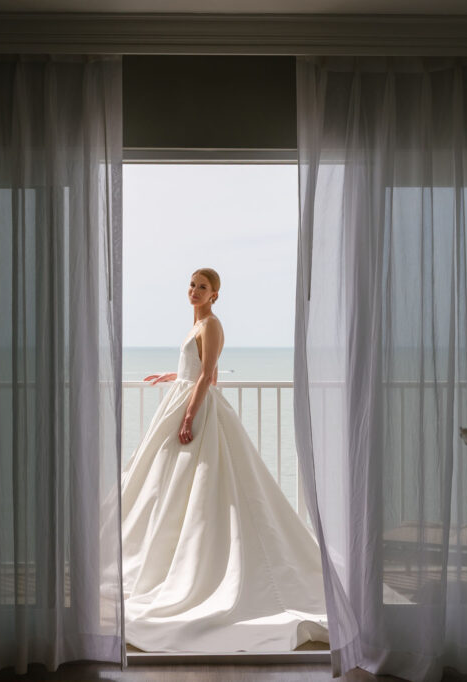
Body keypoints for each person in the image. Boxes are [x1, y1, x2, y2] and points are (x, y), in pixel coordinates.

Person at [120, 268, 329, 653]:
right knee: (172, 488)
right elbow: (197, 370)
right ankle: (169, 562)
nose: (194, 291)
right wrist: (174, 375)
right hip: (184, 398)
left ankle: (209, 568)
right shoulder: (197, 324)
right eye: (192, 285)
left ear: (214, 295)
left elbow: (208, 377)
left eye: (203, 287)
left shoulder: (212, 325)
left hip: (197, 409)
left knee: (207, 488)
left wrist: (188, 415)